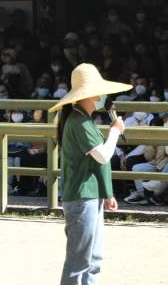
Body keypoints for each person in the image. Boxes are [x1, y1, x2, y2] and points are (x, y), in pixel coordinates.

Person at [50, 63, 131, 285]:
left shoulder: (81, 120)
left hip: (88, 195)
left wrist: (106, 193)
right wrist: (115, 131)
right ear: (92, 93)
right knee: (80, 261)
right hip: (81, 197)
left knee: (92, 260)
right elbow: (104, 157)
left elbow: (98, 162)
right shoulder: (79, 122)